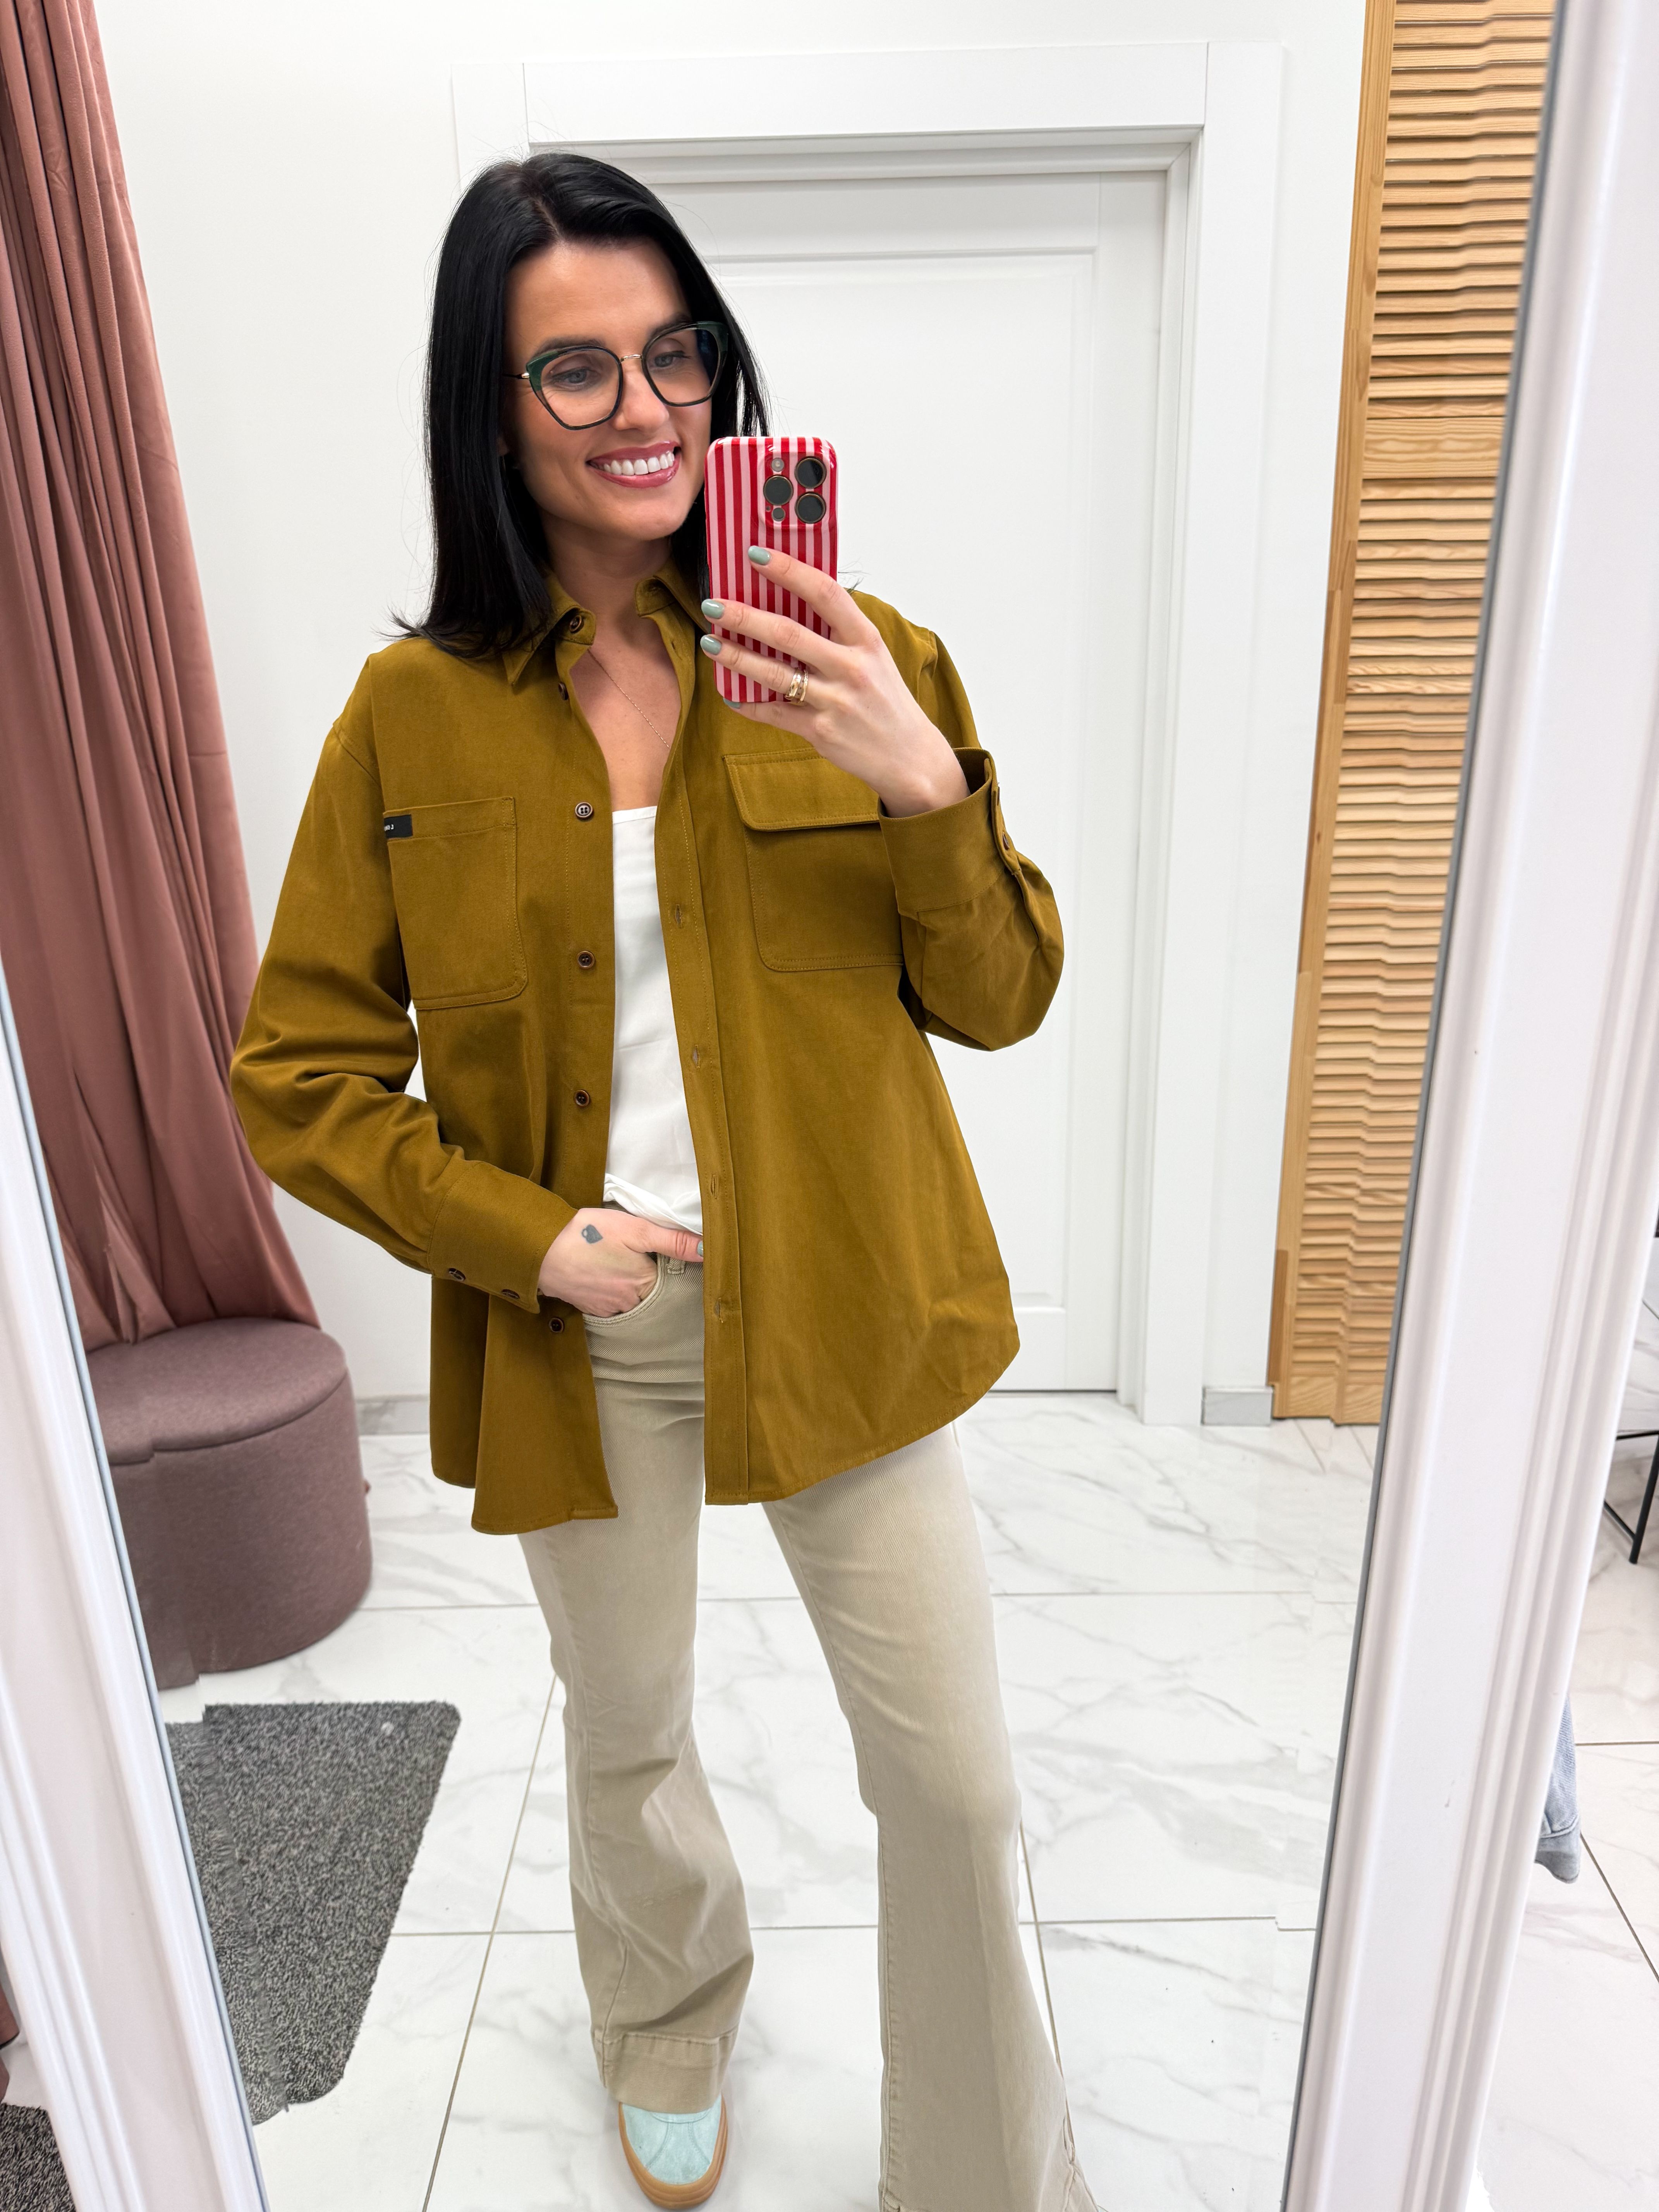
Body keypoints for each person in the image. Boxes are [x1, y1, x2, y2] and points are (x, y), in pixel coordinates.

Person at [231, 150, 1092, 2212]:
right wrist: (529, 1236)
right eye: (579, 369)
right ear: (493, 406)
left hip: (847, 1309)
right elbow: (298, 1076)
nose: (646, 409)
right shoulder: (412, 719)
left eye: (676, 353)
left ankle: (982, 2171)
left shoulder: (864, 653)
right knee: (626, 1734)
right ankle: (667, 2017)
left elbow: (1004, 998)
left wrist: (920, 780)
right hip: (587, 1329)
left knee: (957, 1783)